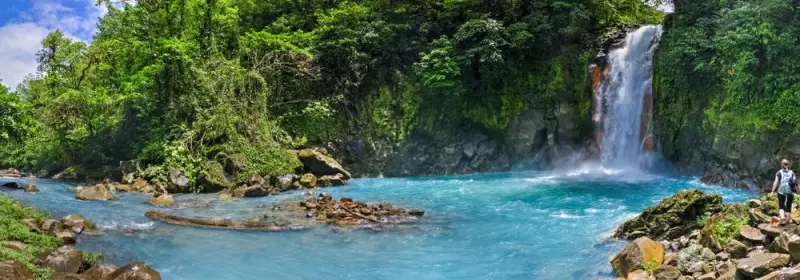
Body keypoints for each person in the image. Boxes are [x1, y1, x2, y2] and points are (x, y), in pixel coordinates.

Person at [771, 158, 797, 225]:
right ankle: (788, 220)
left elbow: (776, 182)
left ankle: (782, 218)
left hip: (781, 191)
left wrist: (772, 191)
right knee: (788, 206)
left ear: (781, 165)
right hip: (790, 192)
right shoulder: (792, 172)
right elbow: (795, 182)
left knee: (781, 205)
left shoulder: (779, 172)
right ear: (788, 165)